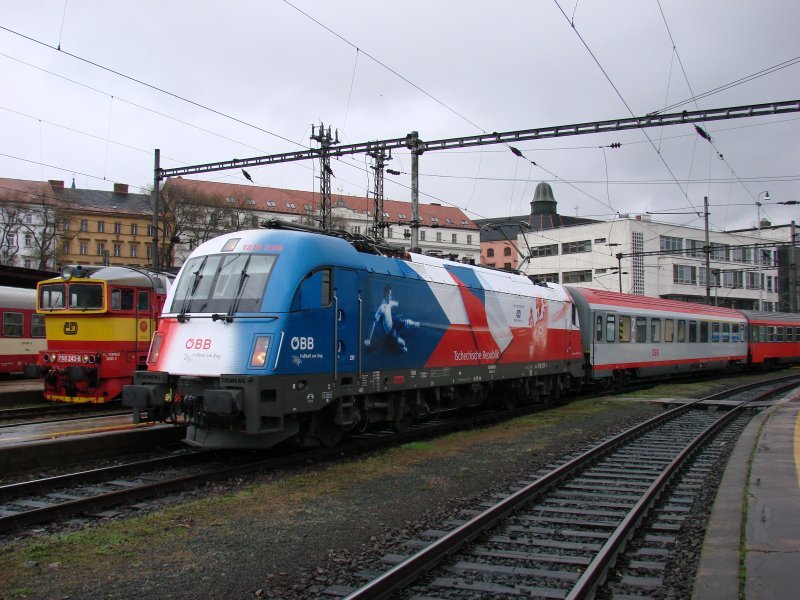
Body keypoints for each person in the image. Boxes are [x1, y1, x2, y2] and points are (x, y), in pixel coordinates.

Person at [364, 284, 419, 353]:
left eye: (391, 295)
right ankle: (402, 347)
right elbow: (373, 323)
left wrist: (399, 304)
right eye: (390, 295)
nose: (391, 296)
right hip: (390, 331)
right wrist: (369, 339)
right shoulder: (381, 308)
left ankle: (415, 323)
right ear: (386, 294)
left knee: (405, 321)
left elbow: (396, 303)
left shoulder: (389, 303)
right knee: (402, 343)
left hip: (394, 323)